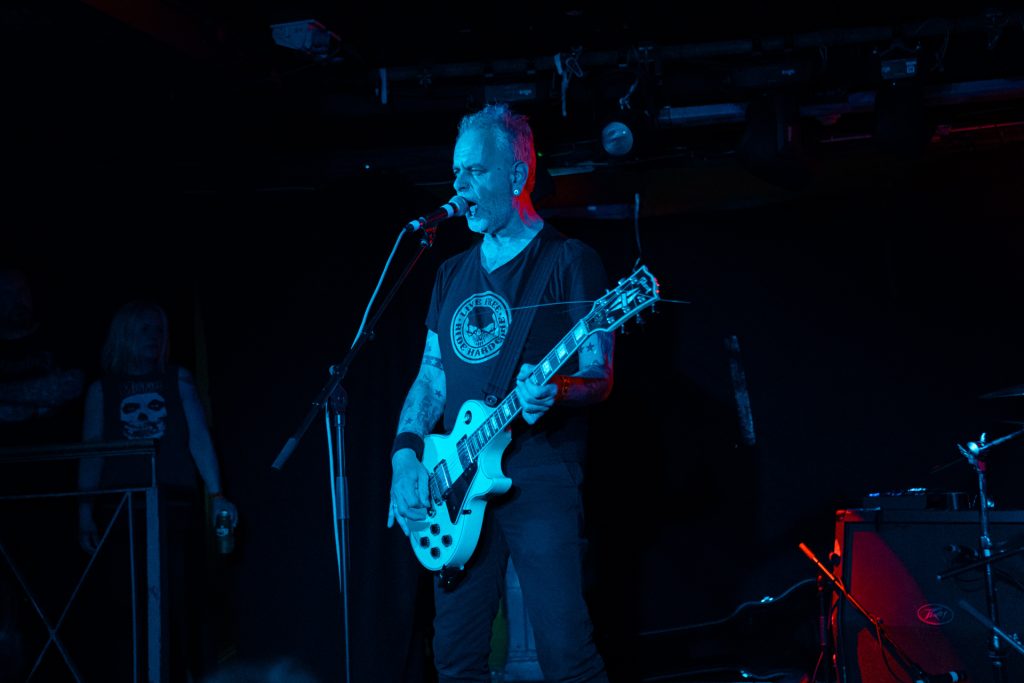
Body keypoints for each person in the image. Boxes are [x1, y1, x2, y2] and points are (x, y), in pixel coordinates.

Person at [387, 103, 614, 683]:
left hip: (539, 472)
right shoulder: (450, 273)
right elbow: (431, 378)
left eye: (474, 173)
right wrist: (406, 453)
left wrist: (556, 389)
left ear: (516, 175)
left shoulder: (569, 261)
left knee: (568, 655)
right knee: (456, 657)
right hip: (458, 477)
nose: (459, 188)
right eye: (456, 173)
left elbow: (597, 373)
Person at [77, 299, 238, 682]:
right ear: (125, 335)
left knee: (174, 597)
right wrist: (83, 508)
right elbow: (92, 449)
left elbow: (198, 437)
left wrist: (217, 495)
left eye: (159, 330)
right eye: (145, 329)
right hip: (121, 505)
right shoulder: (103, 390)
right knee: (126, 602)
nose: (154, 337)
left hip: (171, 500)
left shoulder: (177, 379)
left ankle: (175, 672)